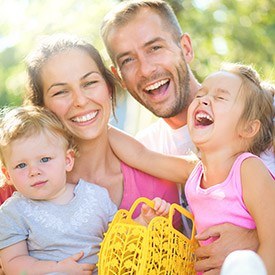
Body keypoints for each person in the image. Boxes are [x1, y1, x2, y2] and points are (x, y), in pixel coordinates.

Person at [101, 0, 275, 272]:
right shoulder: (155, 153)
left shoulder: (261, 112)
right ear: (119, 77)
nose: (146, 70)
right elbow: (139, 155)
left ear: (185, 48)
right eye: (128, 60)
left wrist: (254, 239)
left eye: (155, 48)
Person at [0, 105, 171, 275]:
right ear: (7, 174)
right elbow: (13, 264)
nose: (34, 171)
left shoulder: (95, 196)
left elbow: (120, 239)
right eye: (21, 165)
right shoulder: (13, 212)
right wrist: (58, 267)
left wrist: (143, 221)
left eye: (45, 159)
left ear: (67, 161)